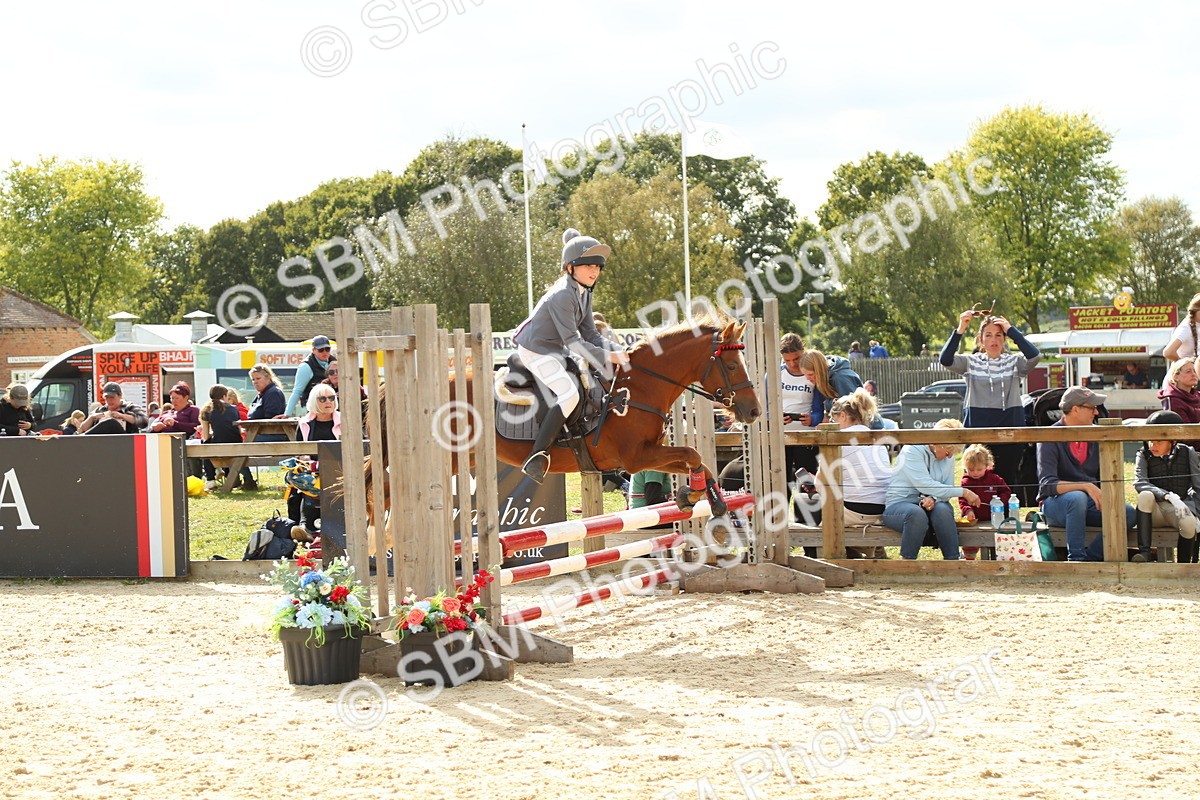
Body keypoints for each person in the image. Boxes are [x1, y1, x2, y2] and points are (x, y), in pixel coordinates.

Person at [511, 227, 627, 483]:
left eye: (598, 266)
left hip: (554, 348)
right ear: (570, 267)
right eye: (588, 265)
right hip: (535, 350)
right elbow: (574, 343)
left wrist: (621, 351)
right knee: (569, 393)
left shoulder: (583, 293)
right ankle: (537, 456)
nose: (594, 271)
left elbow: (592, 336)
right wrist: (609, 358)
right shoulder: (564, 294)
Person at [940, 309, 1041, 493]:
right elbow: (945, 359)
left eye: (998, 335)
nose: (994, 340)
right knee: (976, 482)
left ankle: (1007, 520)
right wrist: (961, 327)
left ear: (1004, 339)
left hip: (1010, 432)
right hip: (977, 433)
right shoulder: (970, 362)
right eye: (988, 335)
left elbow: (1034, 356)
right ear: (980, 339)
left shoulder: (1014, 362)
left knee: (1006, 485)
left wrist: (1012, 330)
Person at [1037, 387, 1137, 562]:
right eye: (1092, 408)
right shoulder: (1049, 436)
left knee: (1127, 512)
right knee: (1076, 498)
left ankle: (1092, 558)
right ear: (1076, 409)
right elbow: (1047, 485)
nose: (1097, 412)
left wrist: (1102, 494)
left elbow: (1107, 476)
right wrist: (1085, 486)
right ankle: (1076, 560)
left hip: (1089, 502)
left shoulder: (1097, 434)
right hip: (1056, 506)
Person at [883, 418, 978, 560]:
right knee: (915, 513)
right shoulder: (912, 450)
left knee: (943, 509)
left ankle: (953, 561)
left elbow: (946, 487)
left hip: (929, 505)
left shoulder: (948, 454)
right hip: (900, 506)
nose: (950, 456)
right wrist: (964, 492)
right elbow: (925, 484)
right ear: (935, 443)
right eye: (948, 452)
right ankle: (907, 563)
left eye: (954, 454)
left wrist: (933, 498)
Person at [1132, 410, 1200, 564]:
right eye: (1151, 440)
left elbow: (1198, 485)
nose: (1153, 445)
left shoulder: (1188, 453)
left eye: (1158, 441)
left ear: (1173, 440)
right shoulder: (1143, 454)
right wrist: (1166, 495)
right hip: (1153, 510)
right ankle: (1144, 553)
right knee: (1145, 495)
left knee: (1189, 523)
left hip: (1179, 508)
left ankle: (1183, 564)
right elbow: (1140, 482)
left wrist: (1198, 513)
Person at [829, 389, 893, 539]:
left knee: (804, 502)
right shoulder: (877, 440)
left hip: (856, 512)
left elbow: (821, 485)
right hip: (883, 509)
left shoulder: (839, 441)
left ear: (843, 416)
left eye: (834, 419)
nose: (833, 424)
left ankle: (817, 556)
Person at [288, 384, 341, 538]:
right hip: (312, 470)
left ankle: (308, 527)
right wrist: (303, 458)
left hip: (338, 468)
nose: (328, 402)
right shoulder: (304, 424)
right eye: (322, 398)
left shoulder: (345, 421)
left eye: (331, 398)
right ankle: (305, 527)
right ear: (313, 401)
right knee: (305, 485)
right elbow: (298, 452)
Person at [958, 444, 1013, 560]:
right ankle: (968, 559)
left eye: (979, 469)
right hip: (974, 520)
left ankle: (995, 558)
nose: (975, 473)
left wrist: (1000, 501)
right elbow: (962, 500)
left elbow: (1006, 491)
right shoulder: (965, 482)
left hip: (993, 519)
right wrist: (968, 510)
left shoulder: (994, 479)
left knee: (996, 542)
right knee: (970, 542)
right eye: (971, 470)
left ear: (987, 466)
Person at [780, 333, 818, 477]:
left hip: (806, 436)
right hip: (781, 436)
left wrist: (812, 419)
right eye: (787, 360)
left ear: (803, 352)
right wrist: (775, 418)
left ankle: (806, 500)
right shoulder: (777, 373)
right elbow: (765, 404)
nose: (792, 364)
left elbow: (819, 407)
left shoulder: (812, 373)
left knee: (807, 480)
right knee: (782, 478)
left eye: (796, 359)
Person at [798, 349, 865, 425]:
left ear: (819, 370)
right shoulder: (823, 380)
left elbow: (855, 411)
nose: (807, 378)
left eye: (810, 374)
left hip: (867, 430)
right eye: (805, 374)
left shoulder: (840, 378)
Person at [285, 335, 336, 417]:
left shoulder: (334, 362)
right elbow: (297, 391)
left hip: (331, 408)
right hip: (311, 409)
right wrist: (287, 414)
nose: (325, 352)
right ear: (313, 350)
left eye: (327, 349)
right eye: (320, 350)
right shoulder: (306, 367)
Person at [1157, 358, 1200, 449]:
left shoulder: (1198, 396)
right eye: (1188, 371)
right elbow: (1185, 435)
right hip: (1184, 453)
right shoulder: (1173, 400)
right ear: (1176, 377)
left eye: (1195, 371)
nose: (1193, 374)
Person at [78, 383, 148, 434]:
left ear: (120, 395)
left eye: (112, 397)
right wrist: (92, 417)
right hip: (103, 444)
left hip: (125, 442)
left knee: (111, 422)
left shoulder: (130, 407)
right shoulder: (100, 410)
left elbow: (144, 422)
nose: (109, 401)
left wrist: (122, 416)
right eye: (107, 398)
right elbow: (83, 428)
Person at [248, 364, 288, 443]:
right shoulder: (262, 394)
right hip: (258, 434)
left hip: (271, 435)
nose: (255, 382)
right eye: (253, 379)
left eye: (258, 378)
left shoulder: (273, 393)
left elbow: (271, 419)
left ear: (268, 377)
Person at [323, 362, 367, 426]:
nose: (335, 374)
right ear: (328, 375)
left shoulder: (354, 387)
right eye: (331, 372)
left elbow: (364, 405)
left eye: (338, 371)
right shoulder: (323, 388)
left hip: (353, 422)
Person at [1163, 293, 1200, 361]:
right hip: (1186, 370)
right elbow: (1168, 352)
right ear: (1197, 310)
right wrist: (1186, 365)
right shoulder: (1186, 327)